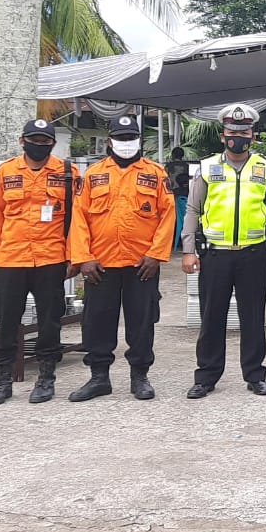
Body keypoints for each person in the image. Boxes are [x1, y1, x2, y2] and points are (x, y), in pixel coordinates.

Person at [67, 115, 176, 402]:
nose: (126, 143)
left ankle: (139, 376)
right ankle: (99, 378)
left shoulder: (155, 173)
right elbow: (78, 218)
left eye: (131, 138)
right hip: (100, 264)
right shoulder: (93, 174)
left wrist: (156, 255)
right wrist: (83, 258)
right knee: (97, 321)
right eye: (121, 138)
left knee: (142, 321)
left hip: (142, 264)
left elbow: (168, 215)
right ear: (109, 141)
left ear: (139, 140)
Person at [181, 103, 266, 398]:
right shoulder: (207, 167)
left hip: (253, 253)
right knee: (211, 316)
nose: (237, 136)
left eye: (243, 132)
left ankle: (255, 375)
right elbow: (192, 209)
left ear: (252, 135)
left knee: (253, 317)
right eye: (231, 132)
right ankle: (206, 376)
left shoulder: (264, 168)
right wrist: (189, 249)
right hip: (216, 254)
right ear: (222, 135)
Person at [0, 119, 78, 406]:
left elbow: (77, 220)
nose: (39, 146)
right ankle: (2, 381)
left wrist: (73, 256)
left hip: (52, 258)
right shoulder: (6, 171)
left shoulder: (67, 173)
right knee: (7, 321)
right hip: (11, 259)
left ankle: (46, 379)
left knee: (50, 323)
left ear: (52, 144)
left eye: (45, 142)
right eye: (34, 140)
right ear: (23, 141)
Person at [165, 146, 191, 251]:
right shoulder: (187, 166)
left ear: (172, 155)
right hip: (184, 196)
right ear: (182, 155)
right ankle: (181, 242)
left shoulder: (167, 166)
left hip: (170, 195)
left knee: (171, 219)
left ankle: (172, 242)